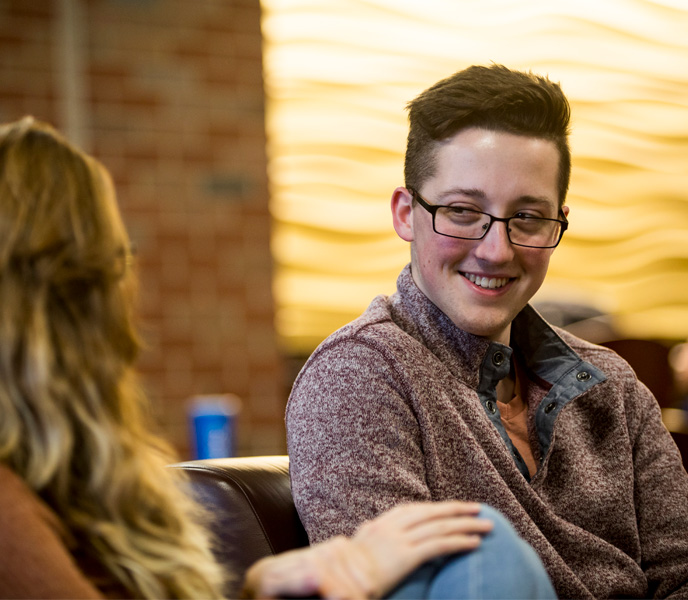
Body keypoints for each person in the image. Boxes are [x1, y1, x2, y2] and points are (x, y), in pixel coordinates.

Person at [0, 117, 517, 599]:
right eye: (111, 259)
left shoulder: (63, 473)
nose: (124, 284)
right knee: (486, 554)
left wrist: (264, 583)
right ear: (53, 290)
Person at [286, 64, 688, 599]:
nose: (496, 250)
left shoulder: (614, 388)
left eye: (527, 217)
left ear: (558, 222)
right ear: (407, 214)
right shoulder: (359, 377)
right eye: (462, 211)